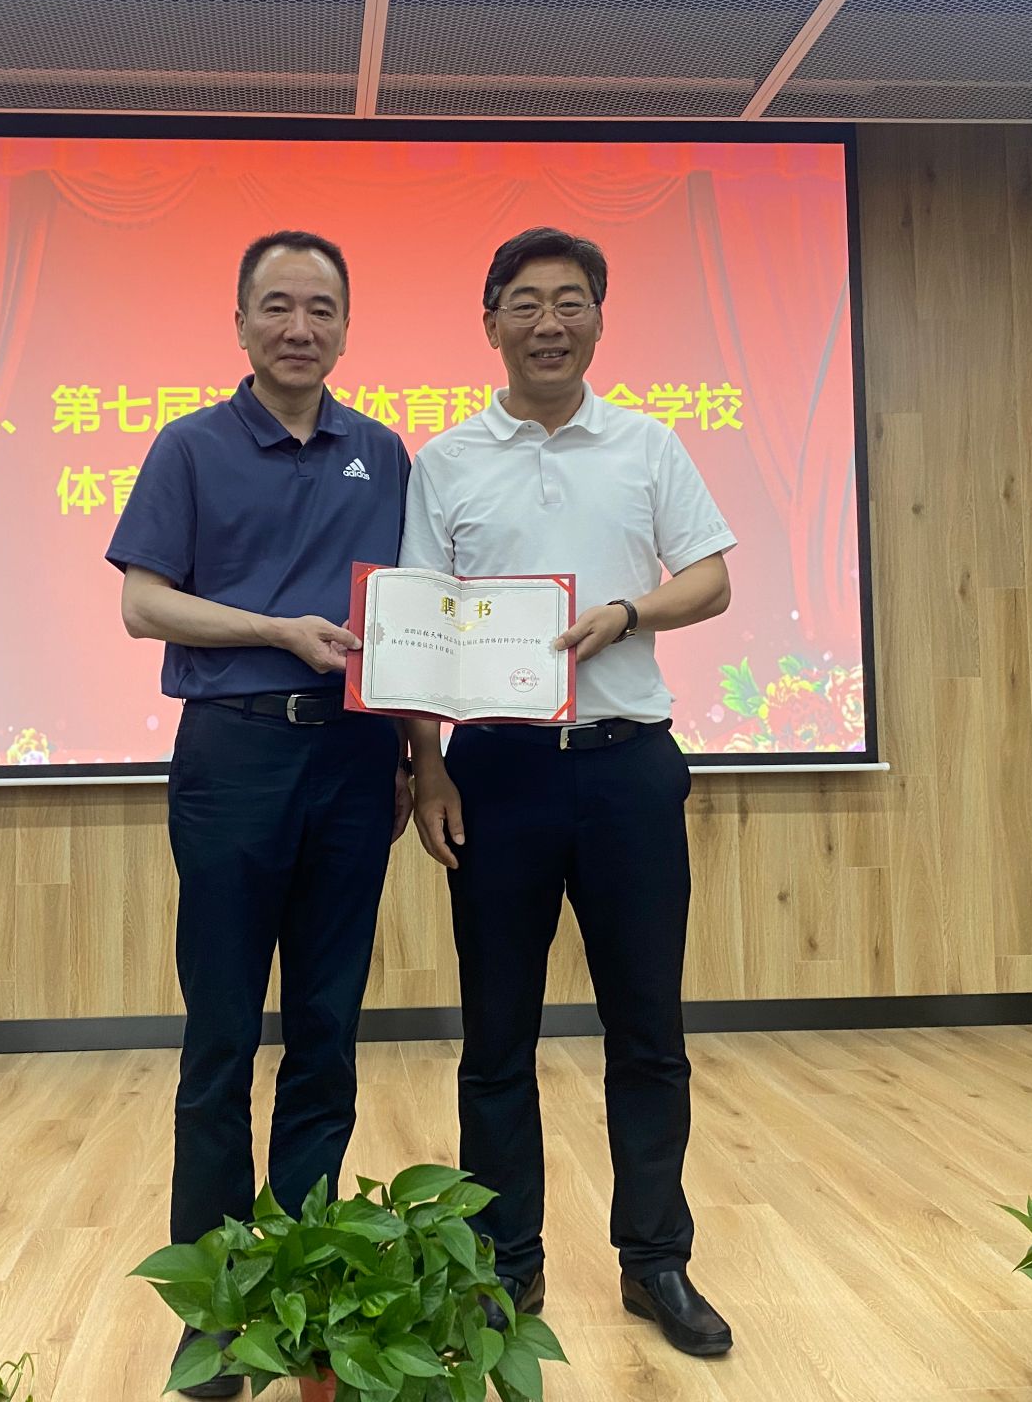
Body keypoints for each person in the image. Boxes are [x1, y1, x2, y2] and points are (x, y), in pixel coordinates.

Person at [400, 226, 737, 1358]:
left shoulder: (647, 445)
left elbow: (710, 578)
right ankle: (504, 1267)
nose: (549, 323)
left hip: (628, 764)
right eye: (526, 304)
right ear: (490, 321)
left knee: (649, 1031)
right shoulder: (446, 461)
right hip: (496, 771)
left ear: (598, 317)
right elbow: (416, 628)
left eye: (571, 302)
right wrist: (428, 767)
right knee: (495, 1036)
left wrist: (628, 614)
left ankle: (656, 1262)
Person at [108, 230, 411, 1397]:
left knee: (327, 1032)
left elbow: (411, 617)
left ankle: (308, 1293)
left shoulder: (382, 453)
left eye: (320, 309)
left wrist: (416, 755)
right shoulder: (188, 446)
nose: (299, 328)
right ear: (239, 322)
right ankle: (214, 1312)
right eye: (277, 306)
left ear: (345, 326)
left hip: (352, 757)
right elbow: (144, 605)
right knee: (222, 1036)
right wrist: (277, 631)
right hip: (233, 751)